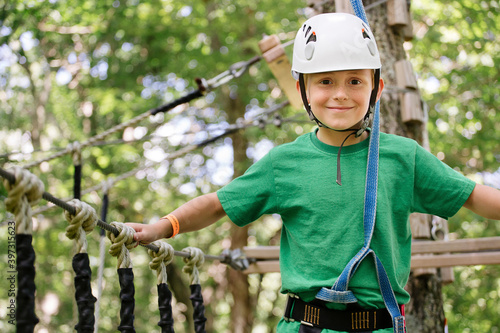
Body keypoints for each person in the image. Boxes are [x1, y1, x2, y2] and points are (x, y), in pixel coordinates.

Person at [127, 13, 500, 333]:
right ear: (303, 88)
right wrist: (165, 226)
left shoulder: (403, 157)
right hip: (305, 325)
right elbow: (218, 204)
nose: (341, 94)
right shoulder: (283, 164)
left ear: (376, 89)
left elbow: (473, 195)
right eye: (325, 81)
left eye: (355, 81)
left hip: (379, 324)